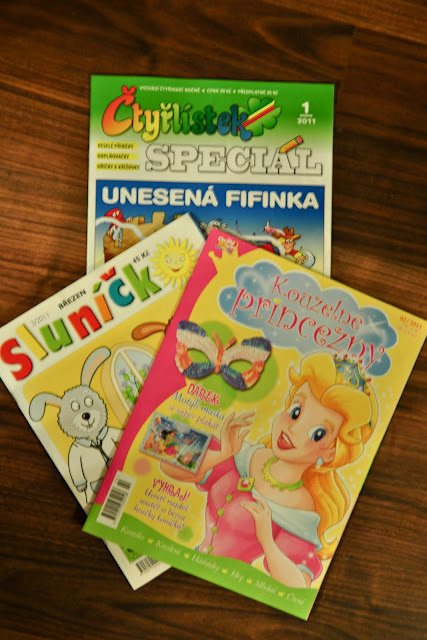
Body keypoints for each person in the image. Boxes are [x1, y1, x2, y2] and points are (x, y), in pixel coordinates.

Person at [161, 352, 375, 588]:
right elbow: (167, 454)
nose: (292, 430)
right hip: (179, 569)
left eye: (317, 433)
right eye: (296, 412)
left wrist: (267, 541)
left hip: (221, 588)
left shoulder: (299, 509)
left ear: (331, 452)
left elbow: (298, 587)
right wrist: (222, 454)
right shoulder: (244, 454)